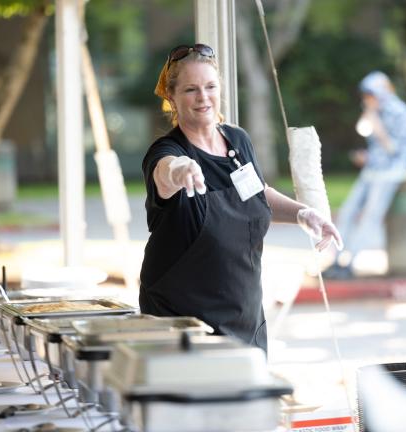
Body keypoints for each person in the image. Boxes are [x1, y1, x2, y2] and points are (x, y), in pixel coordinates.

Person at [139, 43, 342, 353]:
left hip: (244, 314)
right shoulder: (168, 152)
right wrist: (180, 170)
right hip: (181, 322)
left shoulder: (237, 140)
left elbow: (257, 195)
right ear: (172, 97)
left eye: (210, 86)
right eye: (191, 89)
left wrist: (303, 214)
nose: (203, 97)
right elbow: (164, 175)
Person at [324, 71, 406, 279]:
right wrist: (365, 156)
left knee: (369, 217)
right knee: (348, 212)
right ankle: (336, 259)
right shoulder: (374, 111)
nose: (367, 100)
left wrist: (376, 122)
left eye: (370, 95)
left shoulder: (401, 114)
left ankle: (351, 263)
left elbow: (395, 150)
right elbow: (367, 136)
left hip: (389, 174)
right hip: (372, 170)